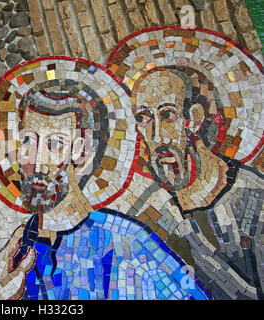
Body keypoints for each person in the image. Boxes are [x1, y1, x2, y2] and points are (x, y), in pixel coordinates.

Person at [0, 58, 211, 300]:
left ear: (82, 150)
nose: (36, 161)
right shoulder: (15, 256)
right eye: (27, 141)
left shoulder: (128, 244)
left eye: (54, 143)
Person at [107, 27, 264, 300]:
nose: (156, 136)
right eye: (143, 119)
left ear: (194, 117)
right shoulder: (152, 210)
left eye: (167, 115)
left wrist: (194, 243)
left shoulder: (253, 198)